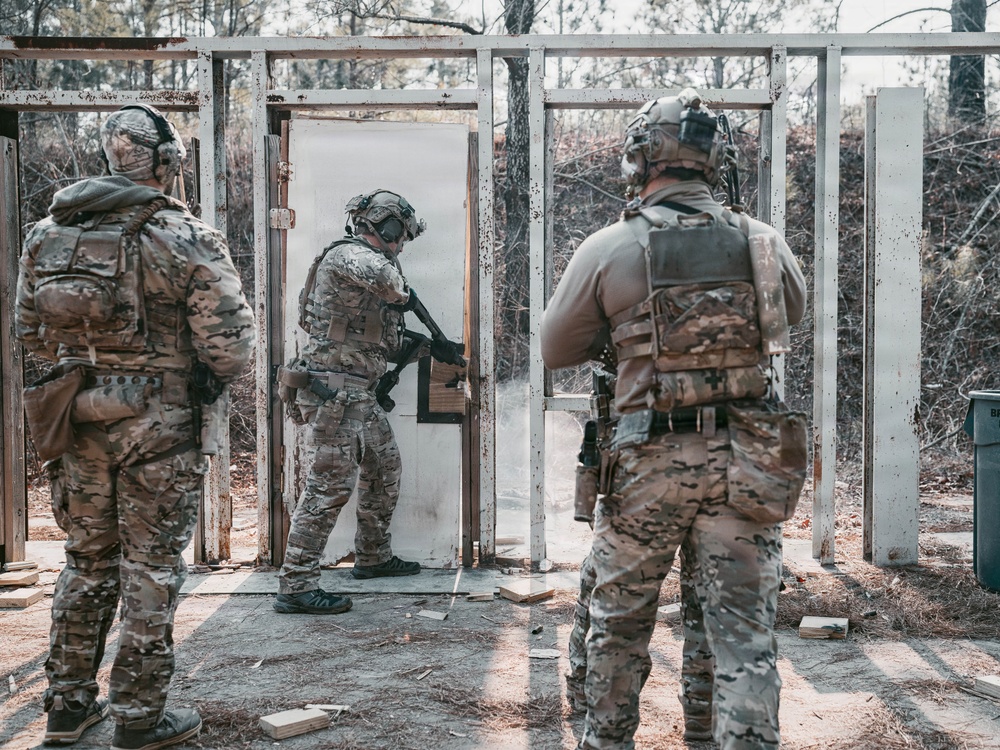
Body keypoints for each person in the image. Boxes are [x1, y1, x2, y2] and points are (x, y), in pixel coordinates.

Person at [540, 89, 808, 750]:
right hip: (744, 466)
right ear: (717, 159)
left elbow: (555, 349)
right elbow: (786, 322)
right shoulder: (762, 243)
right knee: (740, 634)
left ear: (641, 158)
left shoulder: (611, 247)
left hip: (645, 468)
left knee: (620, 626)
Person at [15, 105, 256, 749]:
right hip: (160, 425)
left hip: (74, 417)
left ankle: (66, 708)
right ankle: (139, 719)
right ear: (167, 163)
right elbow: (231, 350)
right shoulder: (186, 235)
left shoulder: (45, 235)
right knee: (149, 567)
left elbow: (28, 332)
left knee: (85, 561)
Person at [274, 189, 463, 615]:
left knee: (384, 466)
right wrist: (406, 294)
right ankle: (296, 584)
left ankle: (373, 556)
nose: (402, 245)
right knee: (328, 487)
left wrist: (434, 348)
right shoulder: (348, 256)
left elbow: (381, 341)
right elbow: (391, 283)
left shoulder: (372, 268)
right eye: (401, 235)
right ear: (388, 227)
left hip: (357, 390)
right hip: (333, 390)